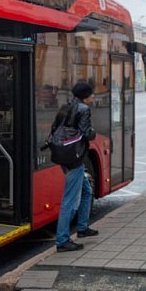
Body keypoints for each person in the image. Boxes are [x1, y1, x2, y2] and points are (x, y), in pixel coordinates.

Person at [51, 82, 97, 252]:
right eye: (91, 94)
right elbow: (86, 133)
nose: (93, 96)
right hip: (74, 158)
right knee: (69, 200)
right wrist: (93, 132)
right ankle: (62, 240)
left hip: (63, 154)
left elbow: (55, 128)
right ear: (85, 95)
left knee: (86, 191)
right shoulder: (83, 109)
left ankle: (83, 228)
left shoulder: (66, 106)